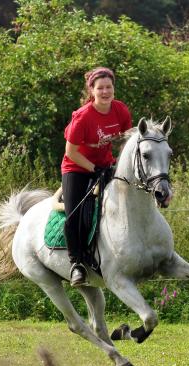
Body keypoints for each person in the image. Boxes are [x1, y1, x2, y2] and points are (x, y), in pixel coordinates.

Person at [61, 67, 133, 286]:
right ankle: (76, 264)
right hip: (78, 168)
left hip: (107, 166)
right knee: (74, 213)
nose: (105, 92)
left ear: (114, 89)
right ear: (91, 90)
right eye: (100, 88)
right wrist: (94, 169)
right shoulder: (82, 117)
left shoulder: (120, 110)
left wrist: (120, 166)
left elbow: (126, 141)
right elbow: (70, 152)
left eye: (108, 87)